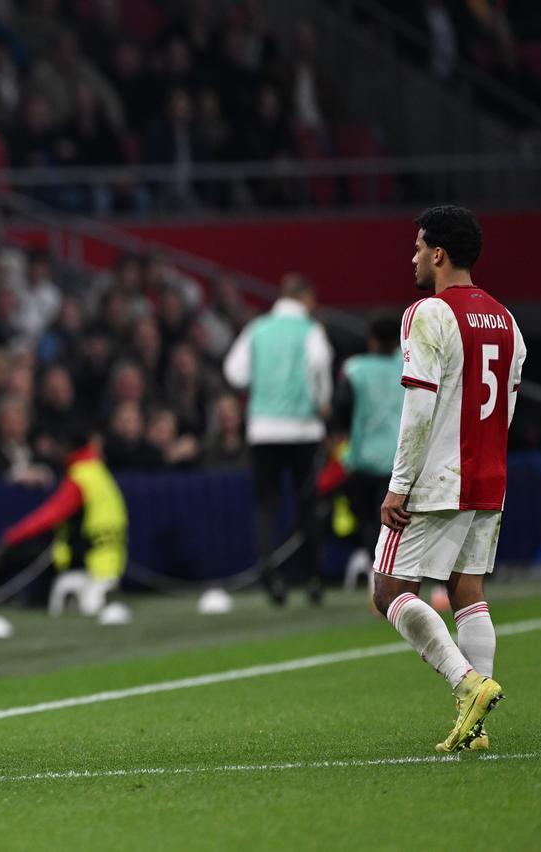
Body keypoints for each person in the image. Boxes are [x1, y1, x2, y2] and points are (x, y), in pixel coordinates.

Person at [371, 205, 525, 753]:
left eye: (417, 247)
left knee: (387, 589)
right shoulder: (507, 320)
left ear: (438, 254)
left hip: (438, 478)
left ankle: (468, 684)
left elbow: (418, 407)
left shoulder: (427, 313)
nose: (412, 257)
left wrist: (399, 484)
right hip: (489, 476)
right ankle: (475, 730)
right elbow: (505, 409)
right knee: (467, 590)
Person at [223, 273, 333, 605]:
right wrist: (320, 402)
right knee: (307, 504)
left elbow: (235, 372)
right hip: (303, 429)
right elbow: (319, 368)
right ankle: (313, 578)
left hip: (264, 430)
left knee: (265, 505)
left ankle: (270, 573)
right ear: (304, 298)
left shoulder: (257, 329)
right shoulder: (311, 331)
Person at [0, 431, 128, 617]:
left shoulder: (81, 477)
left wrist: (10, 538)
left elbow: (49, 515)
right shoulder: (98, 471)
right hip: (112, 560)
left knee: (17, 554)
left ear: (67, 447)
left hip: (89, 563)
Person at [333, 316, 403, 589]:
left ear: (372, 339)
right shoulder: (408, 364)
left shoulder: (355, 370)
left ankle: (379, 585)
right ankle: (404, 584)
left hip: (363, 459)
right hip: (399, 459)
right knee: (400, 528)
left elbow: (341, 410)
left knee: (369, 527)